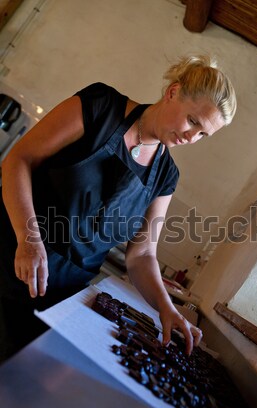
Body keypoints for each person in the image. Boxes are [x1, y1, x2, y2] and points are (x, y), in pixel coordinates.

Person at [0, 54, 236, 361]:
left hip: (57, 297)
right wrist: (28, 239)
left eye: (203, 134)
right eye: (193, 121)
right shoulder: (101, 106)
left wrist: (167, 308)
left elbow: (142, 254)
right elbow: (19, 159)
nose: (192, 137)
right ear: (173, 92)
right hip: (9, 253)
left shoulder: (165, 176)